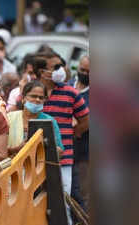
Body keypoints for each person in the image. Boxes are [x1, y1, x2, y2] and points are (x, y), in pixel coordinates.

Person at [37, 52, 89, 225]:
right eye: (56, 67)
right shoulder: (34, 93)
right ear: (42, 71)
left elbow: (86, 120)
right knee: (37, 202)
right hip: (35, 159)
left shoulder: (71, 93)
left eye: (61, 65)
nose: (62, 70)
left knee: (63, 202)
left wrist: (70, 134)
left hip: (63, 159)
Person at [6, 81, 64, 157]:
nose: (37, 100)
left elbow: (60, 151)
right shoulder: (10, 118)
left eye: (41, 97)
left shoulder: (49, 121)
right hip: (13, 166)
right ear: (23, 98)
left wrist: (43, 146)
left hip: (39, 167)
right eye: (33, 96)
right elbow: (0, 149)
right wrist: (17, 149)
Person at [71, 55, 90, 212]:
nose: (85, 73)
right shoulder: (68, 85)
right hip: (66, 152)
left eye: (89, 71)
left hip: (85, 152)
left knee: (83, 193)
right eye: (82, 70)